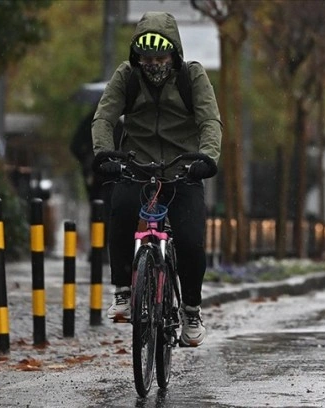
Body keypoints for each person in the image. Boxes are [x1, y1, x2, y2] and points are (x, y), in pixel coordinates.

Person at [91, 11, 222, 347]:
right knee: (119, 211)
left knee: (192, 241)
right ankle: (122, 291)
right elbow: (104, 118)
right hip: (137, 166)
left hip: (184, 170)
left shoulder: (192, 77)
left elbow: (210, 121)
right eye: (146, 58)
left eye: (160, 57)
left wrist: (207, 159)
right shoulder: (126, 76)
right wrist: (104, 154)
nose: (153, 64)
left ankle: (191, 310)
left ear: (174, 54)